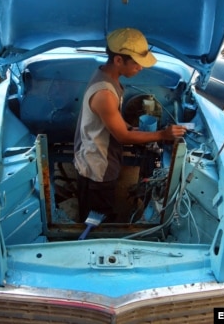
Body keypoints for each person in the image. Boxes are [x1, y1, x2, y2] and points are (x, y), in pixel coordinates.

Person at [74, 28, 186, 222]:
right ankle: (97, 236)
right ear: (118, 60)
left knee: (100, 204)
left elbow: (114, 119)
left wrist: (130, 127)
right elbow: (123, 137)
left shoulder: (107, 76)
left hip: (99, 155)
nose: (140, 68)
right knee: (96, 214)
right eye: (137, 63)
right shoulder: (105, 93)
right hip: (98, 164)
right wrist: (162, 135)